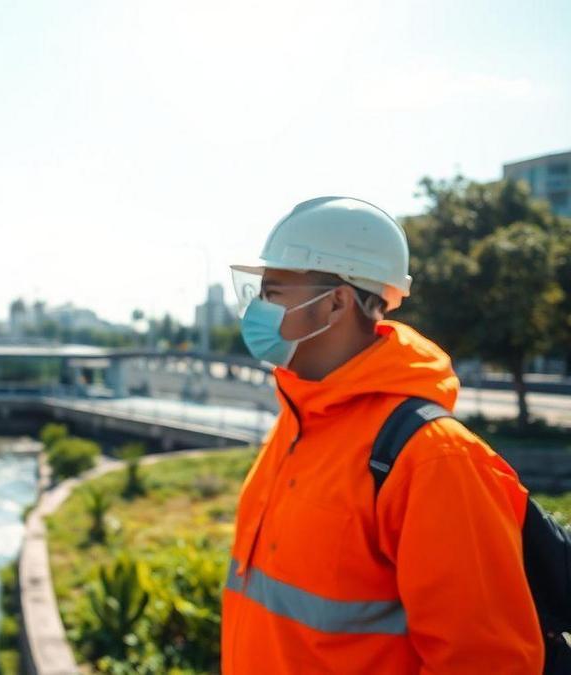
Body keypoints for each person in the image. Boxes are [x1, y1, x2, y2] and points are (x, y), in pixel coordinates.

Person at [222, 196, 543, 673]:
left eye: (274, 293)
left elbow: (488, 660)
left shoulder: (435, 458)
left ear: (335, 302)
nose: (256, 311)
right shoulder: (299, 419)